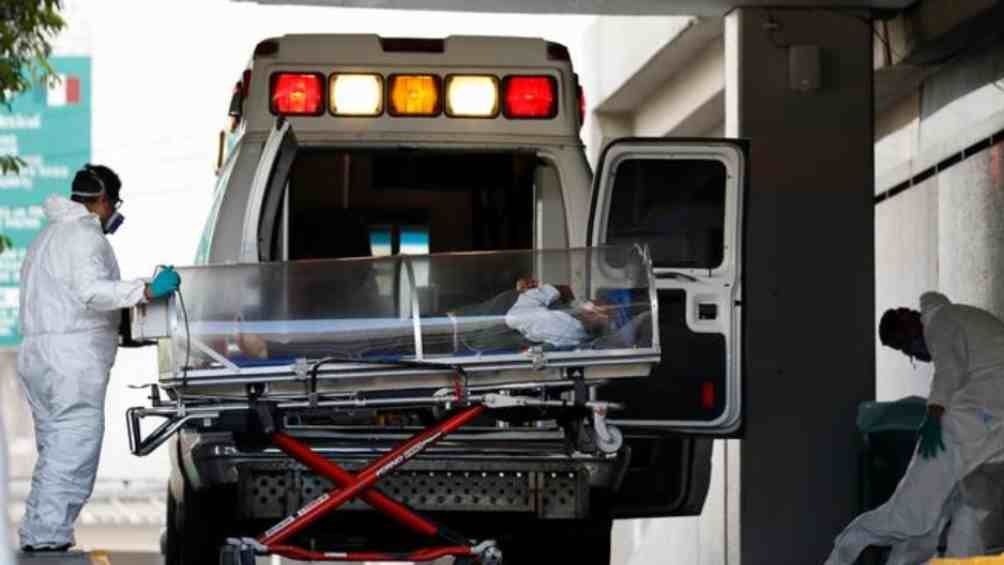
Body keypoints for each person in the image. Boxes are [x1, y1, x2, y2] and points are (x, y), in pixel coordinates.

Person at [16, 164, 181, 552]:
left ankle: (39, 533)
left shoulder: (47, 237)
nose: (113, 215)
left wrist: (118, 331)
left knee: (55, 452)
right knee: (73, 451)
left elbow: (64, 302)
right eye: (114, 205)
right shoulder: (85, 236)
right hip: (70, 364)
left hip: (41, 358)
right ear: (104, 200)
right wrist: (146, 290)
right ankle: (48, 539)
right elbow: (91, 291)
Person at [825, 291, 1004, 565]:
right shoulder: (957, 321)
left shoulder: (940, 319)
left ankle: (848, 552)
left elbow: (949, 369)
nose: (913, 354)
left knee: (928, 520)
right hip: (982, 432)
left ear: (910, 318)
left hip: (965, 432)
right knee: (934, 521)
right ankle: (841, 555)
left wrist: (933, 415)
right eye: (904, 351)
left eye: (905, 344)